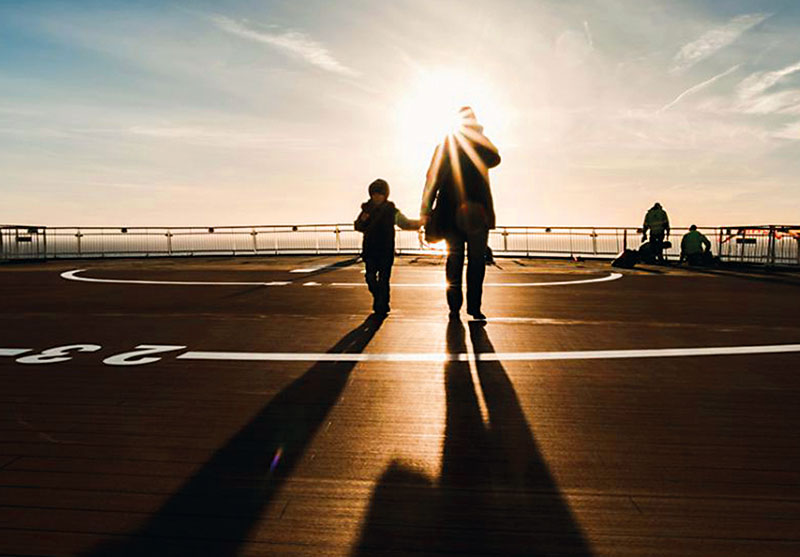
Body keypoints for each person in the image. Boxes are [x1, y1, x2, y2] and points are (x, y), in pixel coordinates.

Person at [420, 106, 501, 320]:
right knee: (456, 260)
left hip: (476, 215)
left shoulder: (480, 146)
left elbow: (495, 158)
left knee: (474, 261)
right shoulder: (445, 145)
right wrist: (425, 210)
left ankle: (472, 307)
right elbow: (432, 179)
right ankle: (455, 306)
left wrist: (477, 137)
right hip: (452, 213)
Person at [355, 178, 420, 315]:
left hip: (385, 250)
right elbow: (358, 226)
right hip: (370, 250)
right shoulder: (366, 210)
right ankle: (380, 299)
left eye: (380, 194)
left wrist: (420, 223)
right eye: (374, 194)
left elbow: (404, 223)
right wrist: (362, 220)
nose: (377, 197)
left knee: (384, 279)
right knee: (370, 278)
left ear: (385, 195)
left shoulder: (391, 211)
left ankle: (381, 305)